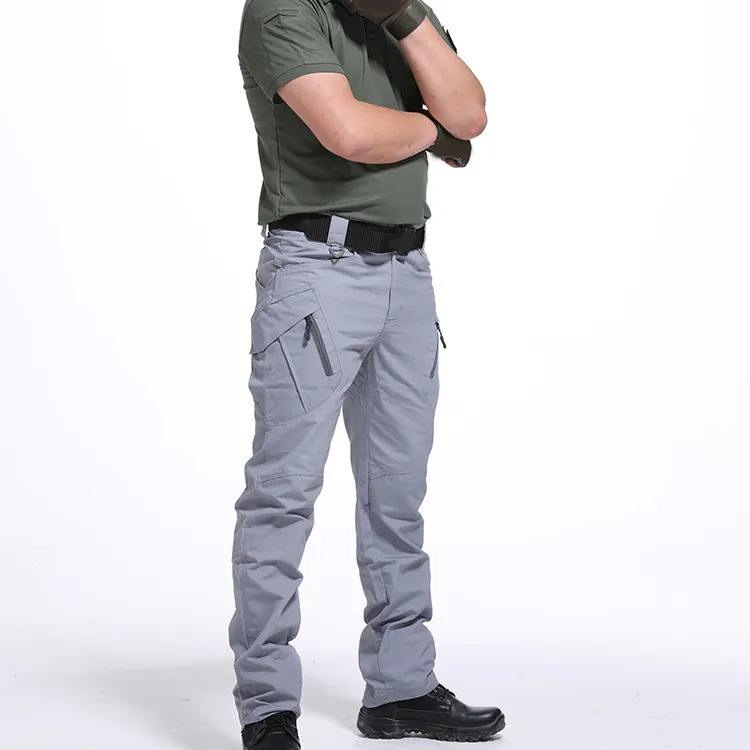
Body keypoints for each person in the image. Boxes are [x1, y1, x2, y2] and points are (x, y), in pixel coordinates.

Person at [229, 1, 504, 747]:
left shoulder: (399, 11)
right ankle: (267, 707)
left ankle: (401, 688)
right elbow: (348, 132)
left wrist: (406, 18)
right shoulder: (283, 9)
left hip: (408, 273)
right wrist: (430, 131)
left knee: (397, 494)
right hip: (316, 270)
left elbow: (470, 115)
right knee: (283, 494)